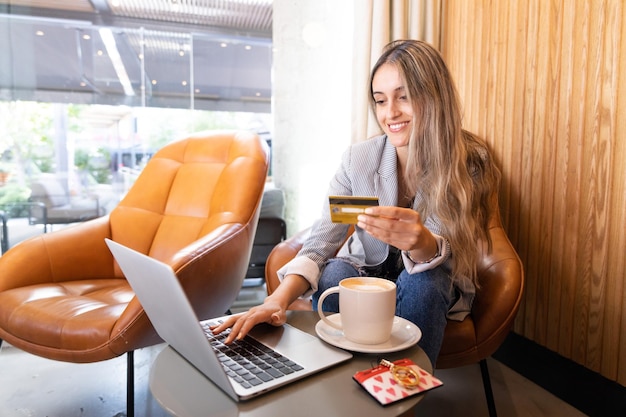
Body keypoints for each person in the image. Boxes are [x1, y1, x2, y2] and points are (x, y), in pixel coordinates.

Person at [212, 39, 501, 366]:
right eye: (380, 100)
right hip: (370, 271)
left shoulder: (467, 162)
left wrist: (421, 241)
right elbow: (323, 240)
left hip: (430, 281)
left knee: (425, 282)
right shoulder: (359, 160)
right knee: (335, 273)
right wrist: (276, 300)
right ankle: (351, 381)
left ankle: (404, 390)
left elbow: (446, 249)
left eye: (403, 97)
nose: (390, 112)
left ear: (434, 96)